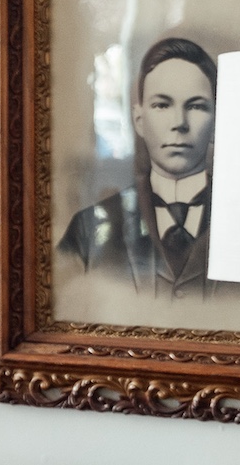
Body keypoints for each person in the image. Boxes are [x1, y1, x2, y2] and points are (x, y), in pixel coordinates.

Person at [59, 36, 219, 300]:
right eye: (162, 105)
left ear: (216, 122)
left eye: (195, 106)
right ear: (139, 119)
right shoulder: (88, 229)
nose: (179, 122)